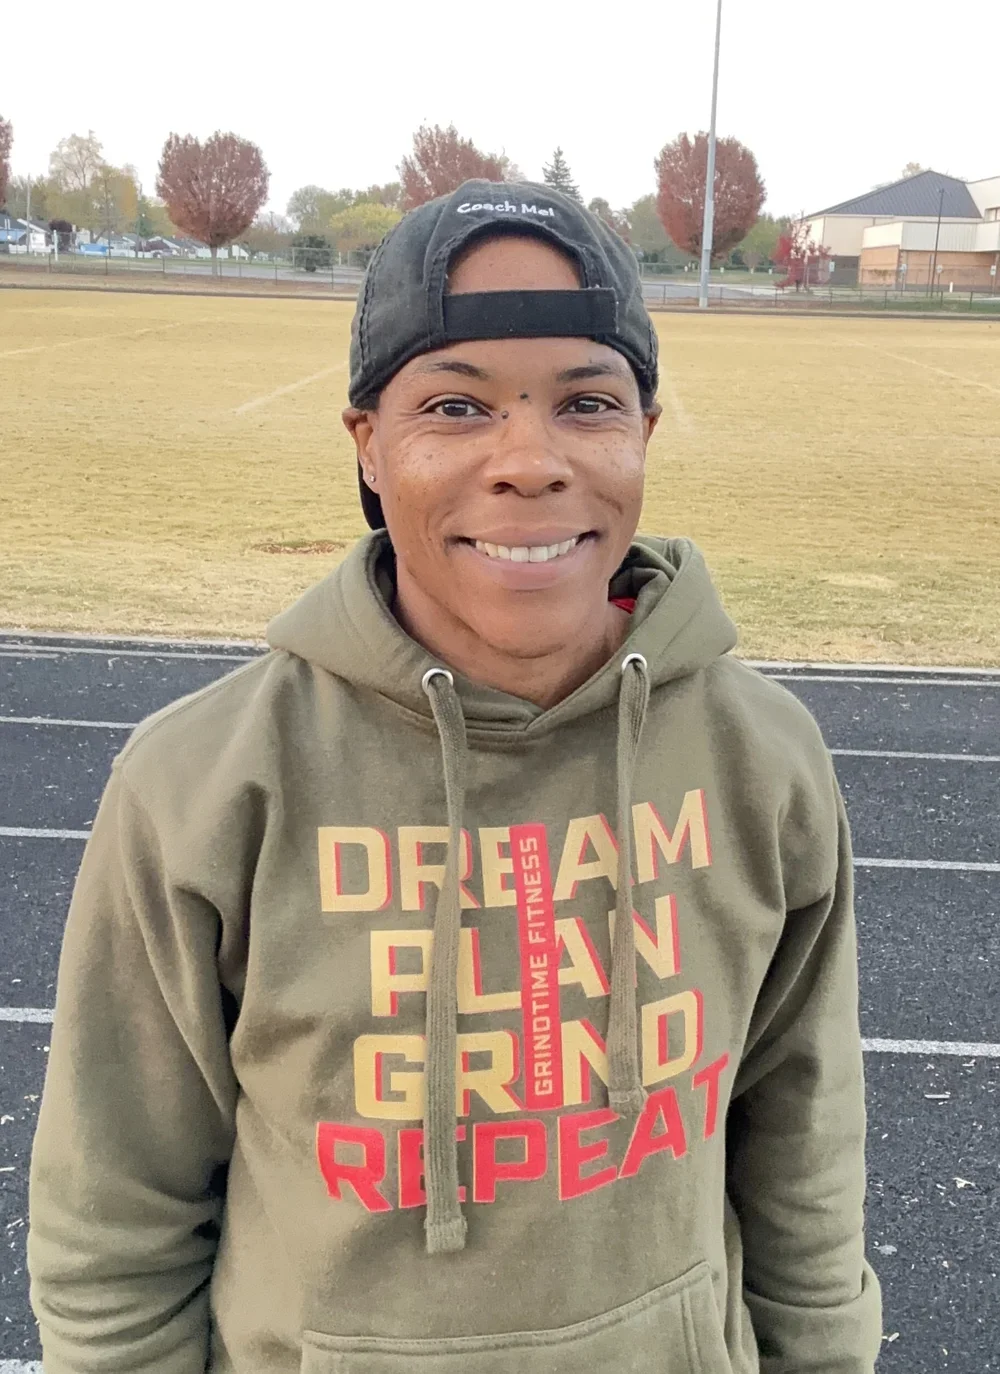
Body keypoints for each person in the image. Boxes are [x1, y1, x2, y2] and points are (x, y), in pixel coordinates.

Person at [29, 181, 882, 1373]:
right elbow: (114, 1214)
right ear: (368, 446)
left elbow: (802, 1137)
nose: (528, 462)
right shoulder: (203, 784)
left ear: (642, 432)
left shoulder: (763, 755)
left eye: (587, 402)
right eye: (455, 406)